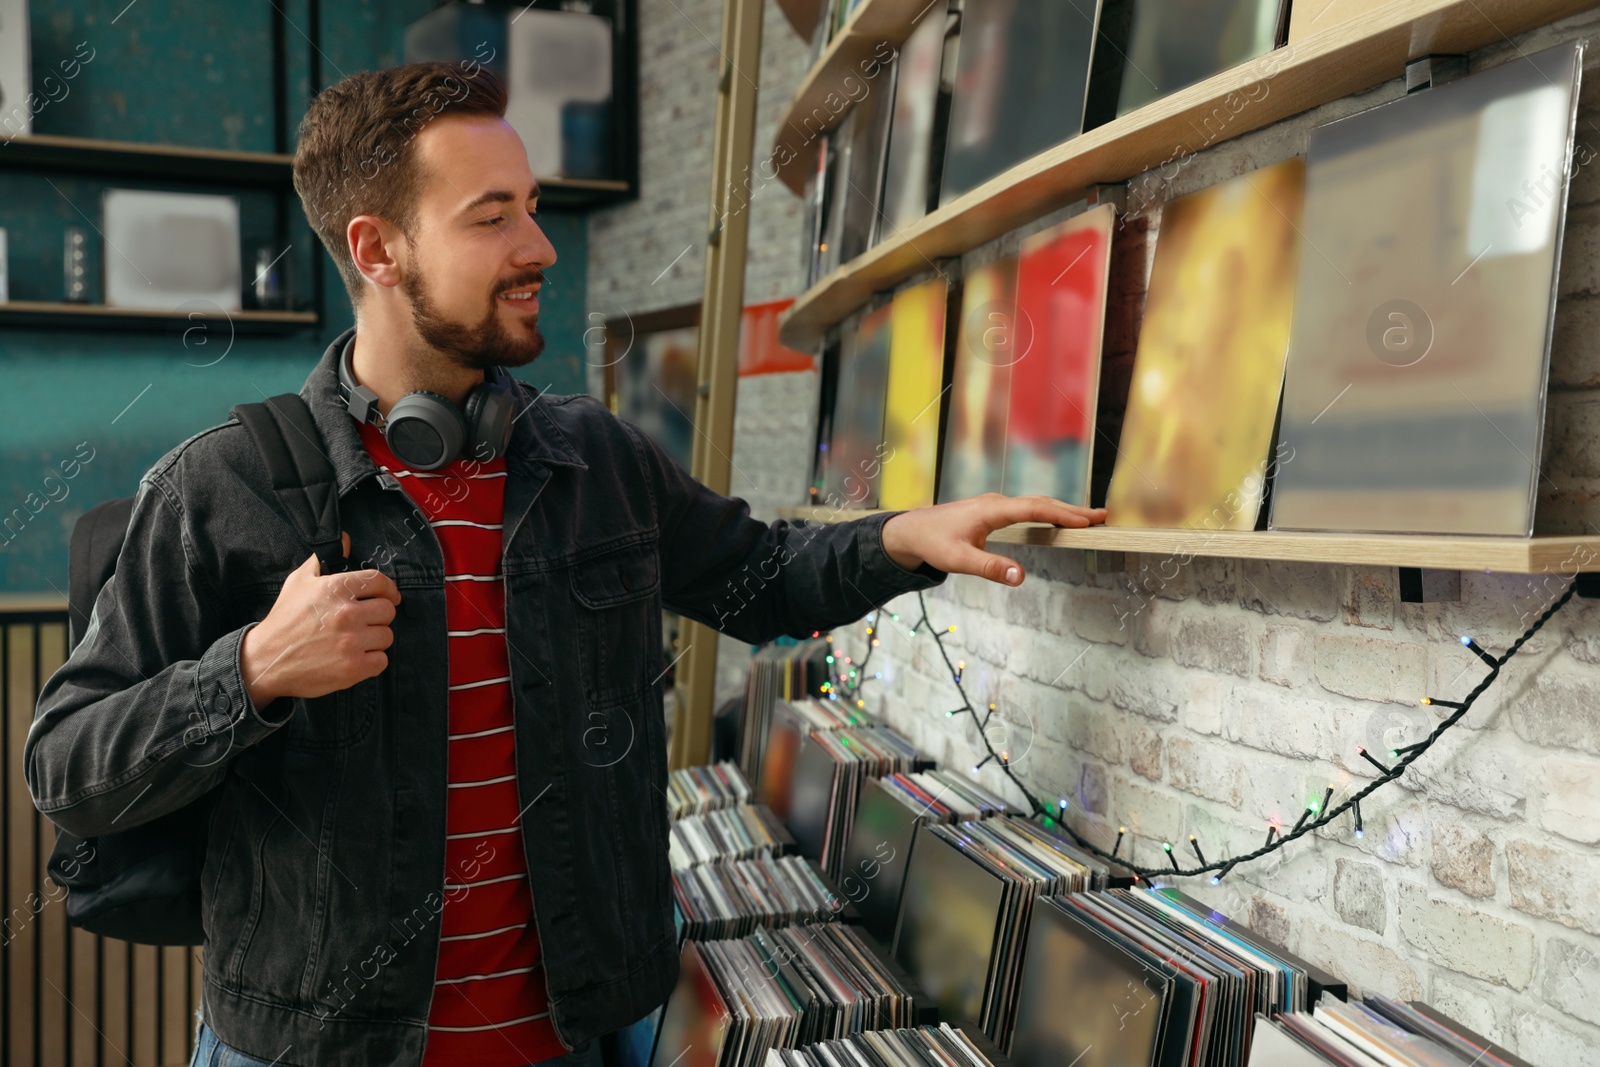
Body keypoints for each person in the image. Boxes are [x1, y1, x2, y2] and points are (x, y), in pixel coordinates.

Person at [26, 62, 1106, 1067]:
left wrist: (904, 537)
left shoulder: (593, 457)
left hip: (582, 1032)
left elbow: (761, 579)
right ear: (376, 248)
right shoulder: (222, 486)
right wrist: (252, 669)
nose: (538, 246)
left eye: (532, 205)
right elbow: (68, 766)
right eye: (491, 217)